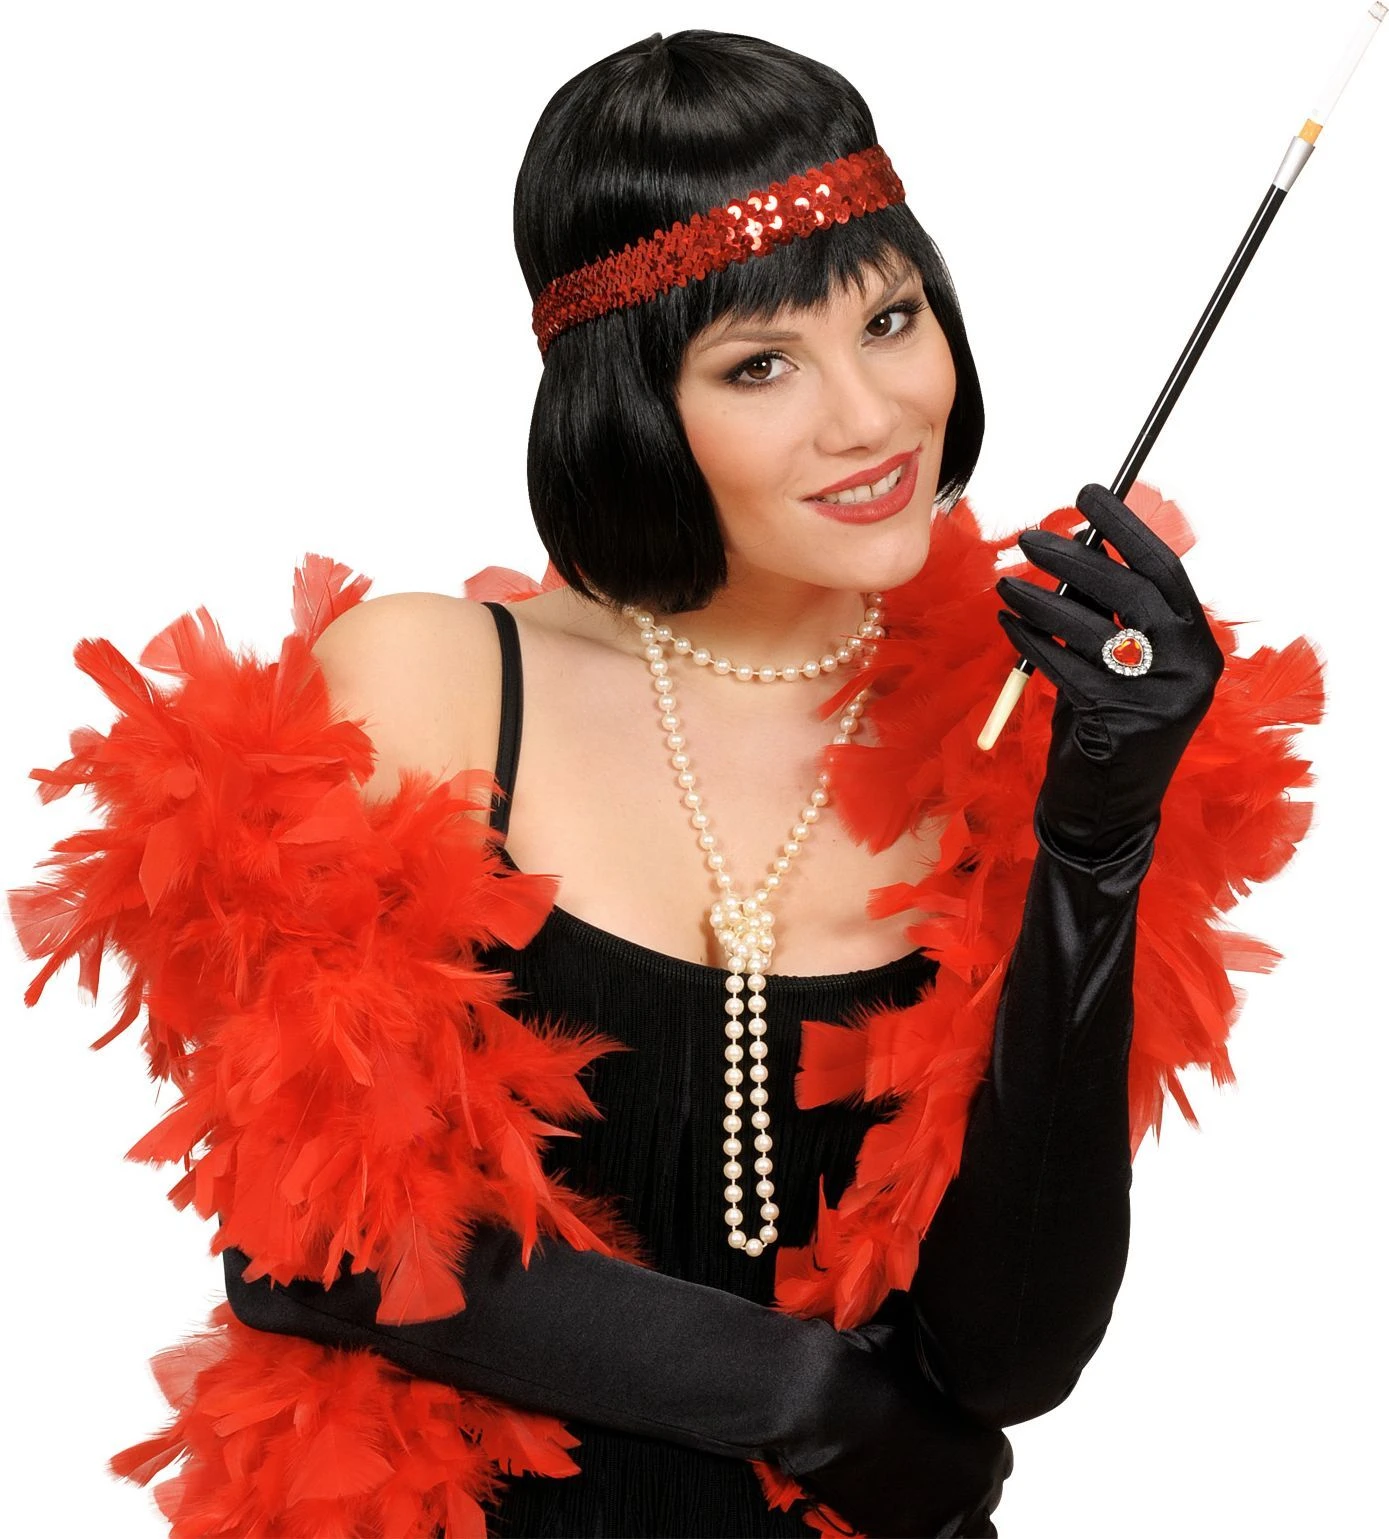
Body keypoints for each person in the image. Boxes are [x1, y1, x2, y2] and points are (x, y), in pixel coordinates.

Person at [7, 28, 1323, 1539]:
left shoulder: (1011, 724)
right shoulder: (439, 685)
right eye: (761, 363)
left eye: (890, 319)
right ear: (630, 405)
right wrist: (809, 1401)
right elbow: (316, 1239)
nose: (869, 416)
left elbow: (1006, 1357)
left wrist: (1098, 837)